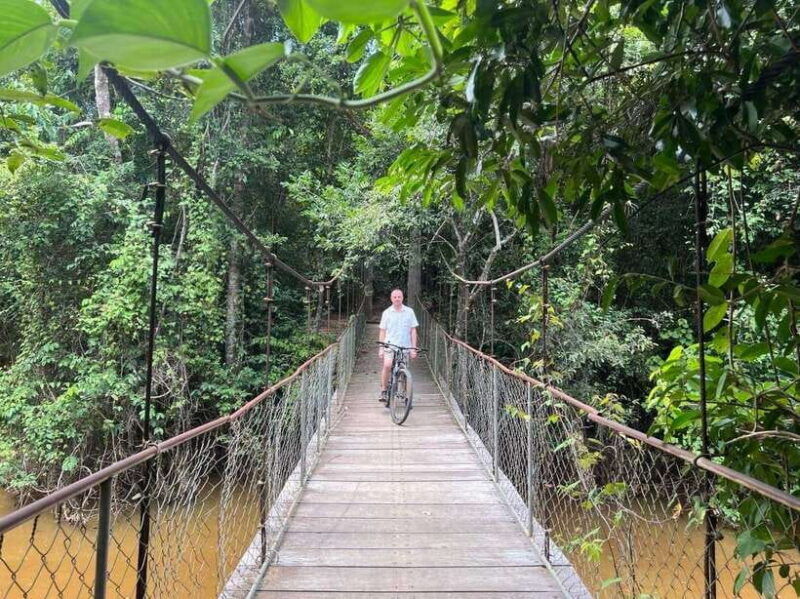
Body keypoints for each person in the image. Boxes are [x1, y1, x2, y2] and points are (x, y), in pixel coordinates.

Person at [378, 289, 419, 403]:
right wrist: (381, 348)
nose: (397, 299)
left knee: (404, 370)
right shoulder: (387, 313)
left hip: (405, 346)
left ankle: (406, 394)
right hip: (390, 345)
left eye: (399, 297)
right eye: (395, 297)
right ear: (391, 299)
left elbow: (413, 330)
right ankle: (384, 390)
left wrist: (413, 348)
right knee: (387, 365)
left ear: (402, 298)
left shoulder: (409, 312)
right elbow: (382, 331)